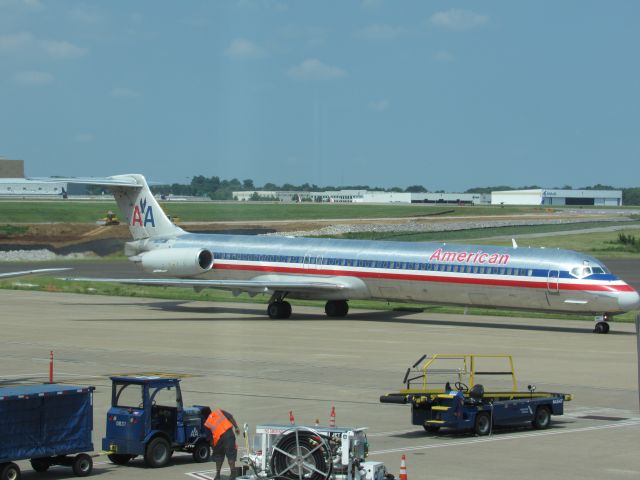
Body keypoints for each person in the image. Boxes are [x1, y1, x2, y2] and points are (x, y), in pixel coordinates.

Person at [203, 407, 241, 480]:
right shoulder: (218, 411)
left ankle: (217, 475)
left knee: (219, 456)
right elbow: (230, 416)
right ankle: (233, 474)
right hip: (229, 435)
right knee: (231, 455)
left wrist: (214, 447)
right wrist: (236, 427)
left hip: (218, 439)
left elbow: (209, 438)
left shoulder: (207, 423)